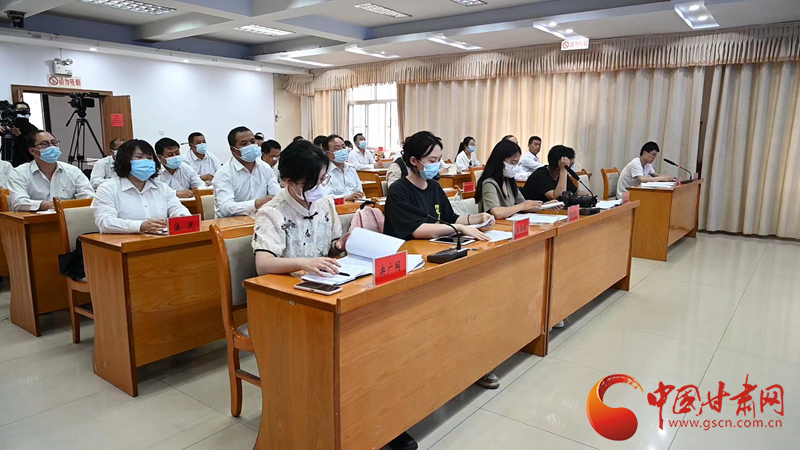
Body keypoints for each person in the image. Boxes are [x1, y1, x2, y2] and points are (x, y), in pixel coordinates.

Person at [384, 131, 494, 242]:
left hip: (434, 246)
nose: (437, 164)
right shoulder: (398, 190)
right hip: (409, 249)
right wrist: (458, 228)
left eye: (439, 159)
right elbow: (416, 229)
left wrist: (479, 218)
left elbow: (451, 218)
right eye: (432, 160)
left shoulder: (434, 186)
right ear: (414, 161)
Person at [92, 139, 190, 234]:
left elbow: (177, 208)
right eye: (139, 157)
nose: (145, 162)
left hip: (160, 239)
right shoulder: (108, 188)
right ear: (125, 160)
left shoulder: (162, 188)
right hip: (123, 242)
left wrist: (183, 217)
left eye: (149, 158)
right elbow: (105, 222)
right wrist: (140, 226)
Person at [8, 130, 94, 211]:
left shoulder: (73, 171)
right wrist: (49, 205)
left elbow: (89, 197)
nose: (51, 147)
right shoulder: (19, 173)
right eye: (44, 144)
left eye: (54, 143)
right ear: (32, 151)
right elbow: (19, 202)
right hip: (37, 219)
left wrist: (69, 205)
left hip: (69, 217)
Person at [214, 126, 280, 218]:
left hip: (263, 219)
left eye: (253, 142)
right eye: (244, 144)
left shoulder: (265, 168)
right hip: (234, 223)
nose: (250, 146)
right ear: (233, 150)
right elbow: (225, 208)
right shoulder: (223, 173)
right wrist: (256, 203)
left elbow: (276, 196)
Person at [476, 139, 552, 220]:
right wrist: (522, 206)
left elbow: (525, 205)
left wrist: (546, 205)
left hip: (508, 224)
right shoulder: (489, 183)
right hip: (494, 225)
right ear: (500, 161)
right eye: (512, 163)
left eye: (516, 164)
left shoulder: (509, 181)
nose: (515, 167)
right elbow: (497, 213)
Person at [521, 145, 589, 202]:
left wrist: (588, 197)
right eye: (570, 166)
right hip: (533, 212)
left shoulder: (561, 175)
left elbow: (575, 192)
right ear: (559, 168)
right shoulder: (539, 176)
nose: (571, 168)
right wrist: (563, 170)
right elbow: (558, 197)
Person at [323, 134, 364, 201]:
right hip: (337, 206)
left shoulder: (351, 168)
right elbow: (326, 198)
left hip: (356, 205)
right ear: (328, 153)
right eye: (337, 148)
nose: (342, 150)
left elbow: (360, 192)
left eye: (343, 147)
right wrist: (346, 198)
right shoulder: (324, 172)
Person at [6, 102, 38, 167]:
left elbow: (34, 148)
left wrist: (19, 136)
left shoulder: (32, 129)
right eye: (20, 110)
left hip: (25, 165)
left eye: (26, 110)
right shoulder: (7, 126)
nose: (23, 112)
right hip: (6, 166)